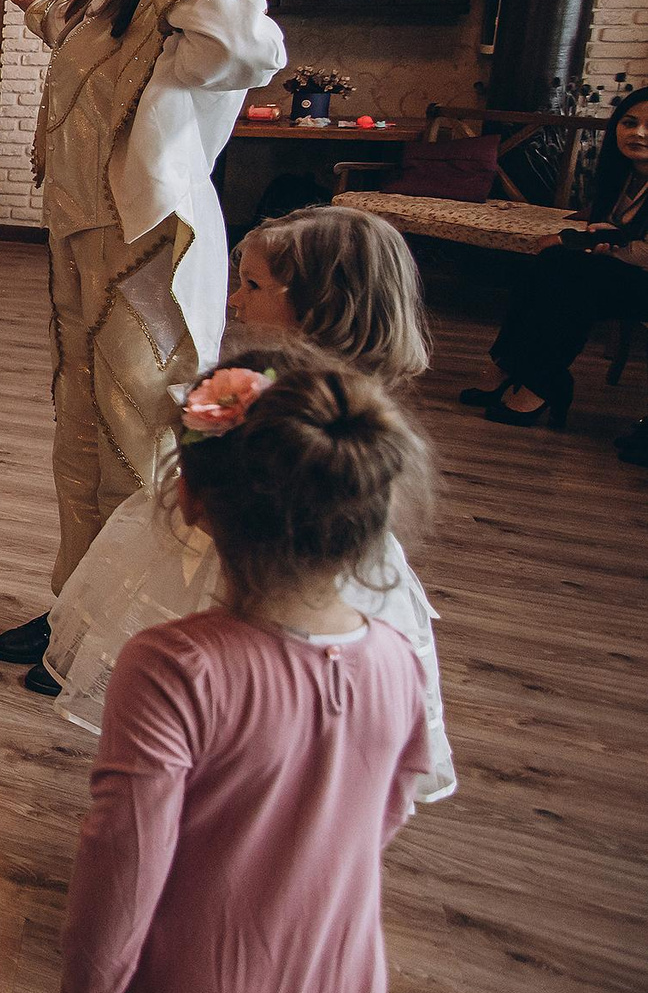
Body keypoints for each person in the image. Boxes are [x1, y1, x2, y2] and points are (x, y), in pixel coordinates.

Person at [59, 345, 433, 993]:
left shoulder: (171, 667)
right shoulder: (398, 658)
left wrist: (88, 988)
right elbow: (384, 815)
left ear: (191, 499)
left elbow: (125, 858)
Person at [0, 0, 286, 674]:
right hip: (78, 251)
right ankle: (71, 610)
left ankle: (120, 641)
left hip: (147, 265)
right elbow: (94, 62)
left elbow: (253, 52)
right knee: (78, 443)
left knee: (138, 450)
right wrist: (42, 12)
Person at [43, 206, 455, 805]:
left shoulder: (263, 395)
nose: (235, 301)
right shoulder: (332, 398)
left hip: (248, 558)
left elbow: (194, 476)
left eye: (254, 286)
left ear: (320, 302)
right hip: (264, 558)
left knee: (236, 668)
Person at [463, 82, 648, 431]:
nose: (638, 133)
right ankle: (511, 365)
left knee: (572, 275)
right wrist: (585, 242)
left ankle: (539, 381)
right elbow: (606, 229)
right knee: (552, 266)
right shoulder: (622, 174)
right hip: (624, 272)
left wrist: (590, 244)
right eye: (629, 122)